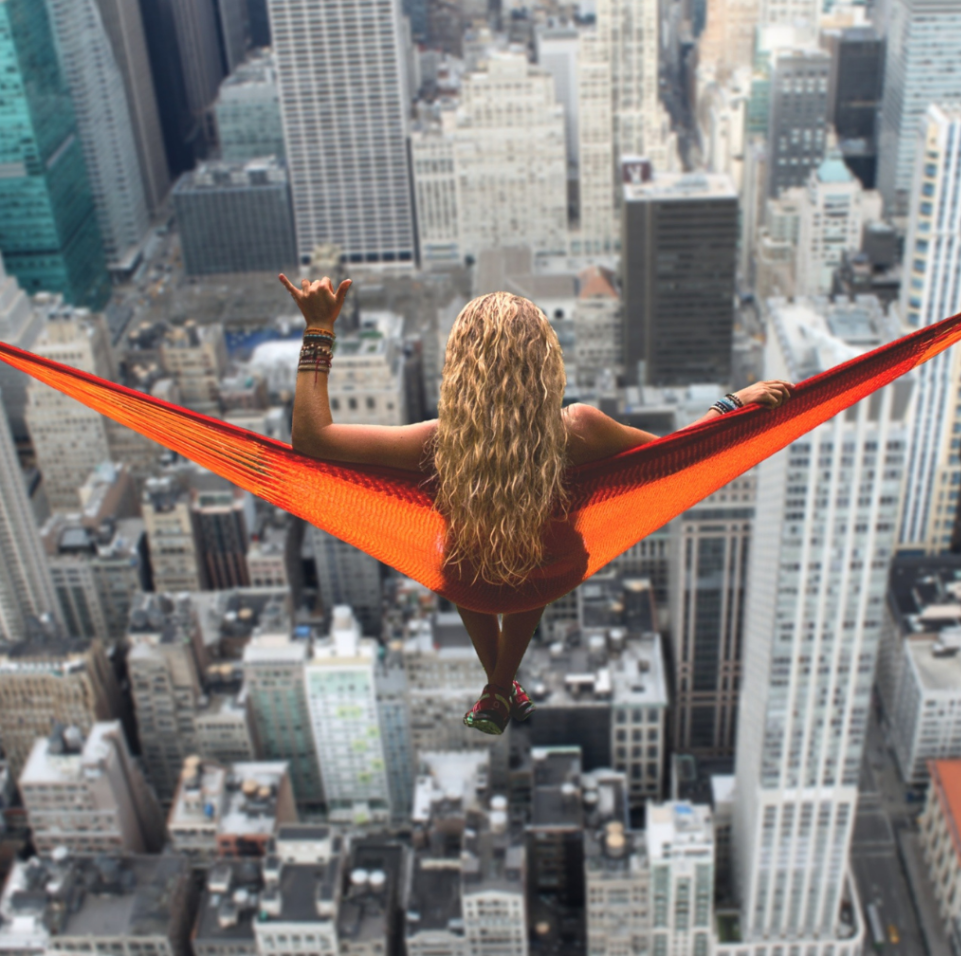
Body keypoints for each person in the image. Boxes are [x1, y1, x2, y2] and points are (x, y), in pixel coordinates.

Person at [281, 272, 792, 735]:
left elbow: (312, 437)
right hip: (550, 575)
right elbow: (674, 455)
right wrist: (730, 404)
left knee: (461, 545)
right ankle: (500, 689)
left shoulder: (434, 445)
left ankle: (499, 687)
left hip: (470, 584)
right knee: (537, 540)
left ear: (461, 368)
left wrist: (320, 327)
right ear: (544, 364)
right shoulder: (581, 431)